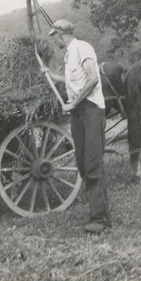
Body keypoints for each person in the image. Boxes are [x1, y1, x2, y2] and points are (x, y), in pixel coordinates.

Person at [49, 18, 111, 235]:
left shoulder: (82, 48)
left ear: (60, 35)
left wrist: (74, 102)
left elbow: (93, 78)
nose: (54, 41)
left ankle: (101, 220)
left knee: (93, 164)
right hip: (78, 113)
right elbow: (71, 82)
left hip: (91, 110)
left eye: (54, 36)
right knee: (83, 165)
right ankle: (98, 211)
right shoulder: (68, 55)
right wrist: (50, 75)